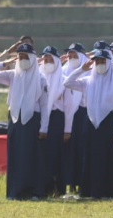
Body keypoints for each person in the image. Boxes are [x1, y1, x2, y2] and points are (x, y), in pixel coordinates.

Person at [0, 43, 49, 199]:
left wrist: (44, 128)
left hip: (32, 121)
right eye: (20, 56)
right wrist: (6, 62)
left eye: (25, 56)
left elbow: (45, 105)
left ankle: (33, 192)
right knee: (16, 156)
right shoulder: (12, 74)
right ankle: (15, 192)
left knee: (31, 157)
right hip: (15, 119)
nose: (22, 59)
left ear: (33, 59)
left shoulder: (40, 78)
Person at [63, 49, 113, 199]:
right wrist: (81, 70)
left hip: (108, 124)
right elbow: (67, 83)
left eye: (103, 61)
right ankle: (90, 192)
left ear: (109, 63)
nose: (100, 64)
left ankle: (106, 192)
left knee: (107, 158)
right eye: (97, 62)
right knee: (91, 158)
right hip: (91, 123)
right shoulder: (87, 81)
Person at [60, 43, 88, 196]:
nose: (71, 58)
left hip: (83, 114)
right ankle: (69, 184)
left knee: (82, 149)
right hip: (67, 115)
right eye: (69, 55)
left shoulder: (89, 71)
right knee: (69, 151)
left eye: (74, 55)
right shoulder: (64, 70)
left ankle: (82, 184)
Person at [40, 46, 68, 196]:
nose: (48, 62)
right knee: (42, 154)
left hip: (57, 120)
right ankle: (44, 188)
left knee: (56, 155)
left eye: (51, 59)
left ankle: (58, 189)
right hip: (41, 119)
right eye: (45, 59)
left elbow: (68, 107)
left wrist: (67, 129)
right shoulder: (38, 78)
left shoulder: (63, 81)